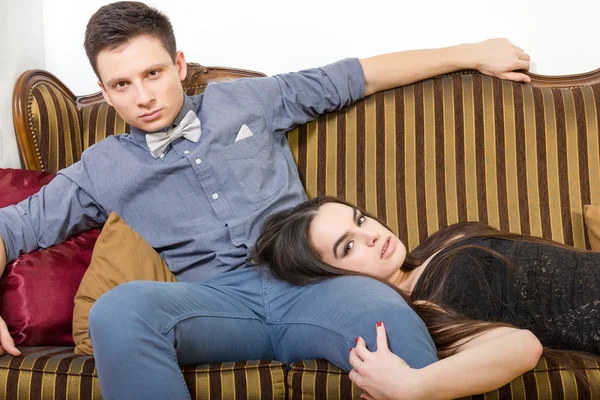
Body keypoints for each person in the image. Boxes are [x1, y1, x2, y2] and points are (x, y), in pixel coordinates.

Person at [0, 1, 533, 398]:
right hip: (215, 305)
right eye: (120, 85)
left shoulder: (248, 100)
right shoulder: (103, 164)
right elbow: (12, 227)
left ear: (179, 64)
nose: (141, 97)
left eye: (153, 73)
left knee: (388, 325)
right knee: (118, 311)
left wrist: (470, 53)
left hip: (308, 284)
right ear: (103, 88)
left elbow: (354, 76)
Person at [252, 195, 600, 398]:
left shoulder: (438, 242)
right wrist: (412, 386)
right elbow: (523, 346)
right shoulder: (429, 307)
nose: (371, 234)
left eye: (360, 220)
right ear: (332, 280)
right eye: (348, 245)